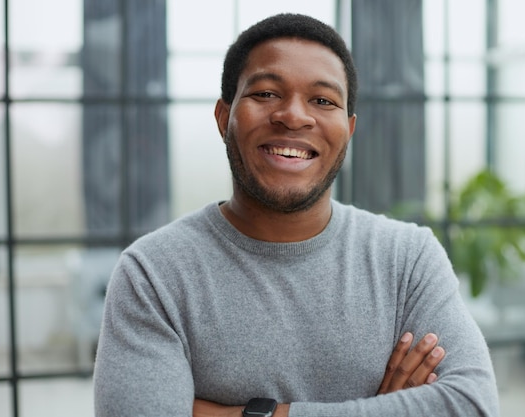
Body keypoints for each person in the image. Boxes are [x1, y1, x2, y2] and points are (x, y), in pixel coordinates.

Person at [93, 13, 499, 417]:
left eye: (322, 100)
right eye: (266, 93)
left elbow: (472, 404)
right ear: (224, 118)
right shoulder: (154, 273)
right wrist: (381, 409)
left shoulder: (407, 258)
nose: (293, 116)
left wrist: (252, 414)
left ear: (348, 130)